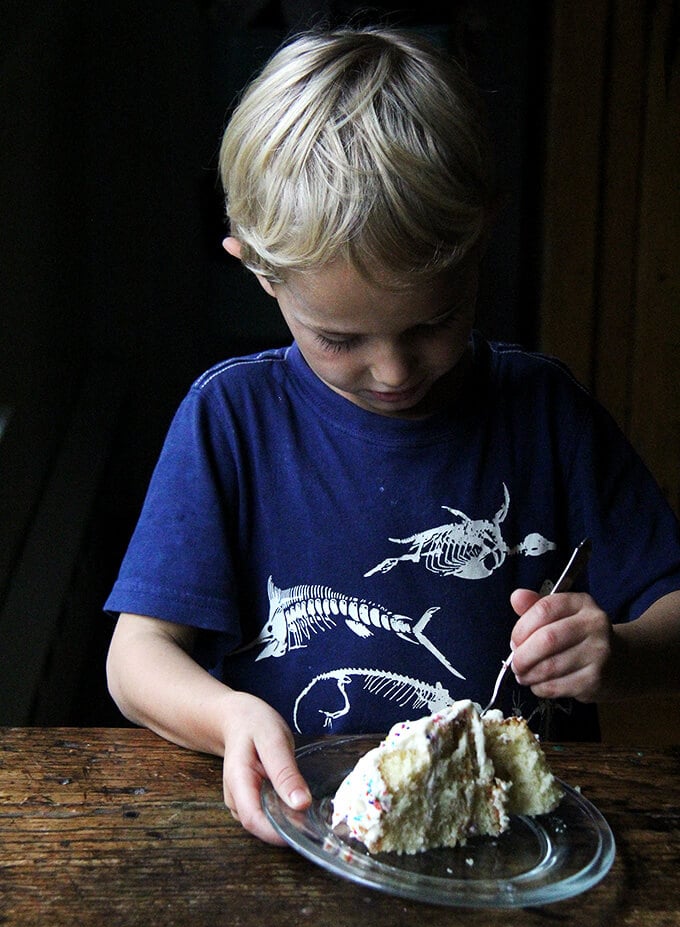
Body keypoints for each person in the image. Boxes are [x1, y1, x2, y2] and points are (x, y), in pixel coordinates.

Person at [105, 26, 680, 845]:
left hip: (501, 847)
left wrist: (619, 654)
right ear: (260, 274)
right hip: (295, 838)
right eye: (339, 339)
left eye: (433, 321)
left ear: (484, 239)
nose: (392, 371)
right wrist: (225, 716)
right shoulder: (230, 419)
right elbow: (135, 663)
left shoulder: (546, 412)